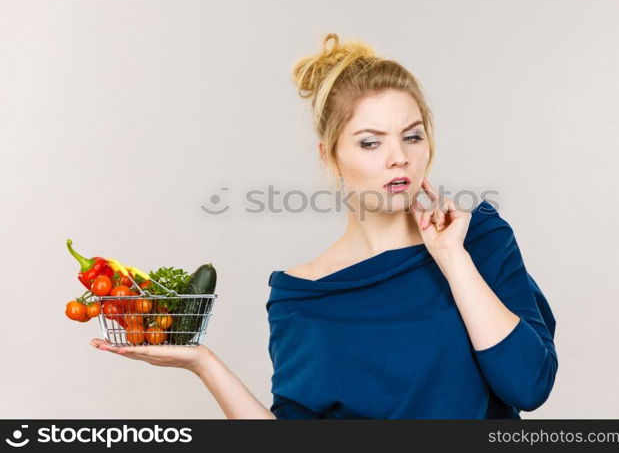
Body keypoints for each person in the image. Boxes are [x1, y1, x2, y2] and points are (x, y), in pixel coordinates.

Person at [91, 32, 558, 419]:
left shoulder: (480, 239)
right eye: (370, 143)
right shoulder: (301, 296)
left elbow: (528, 385)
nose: (400, 156)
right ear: (330, 156)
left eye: (412, 136)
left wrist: (453, 259)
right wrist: (205, 365)